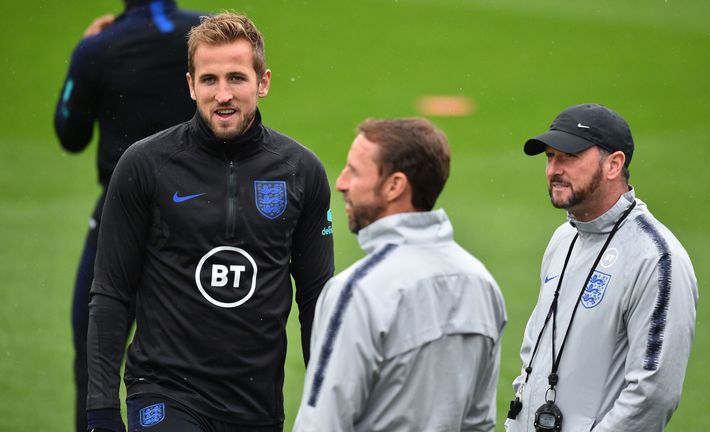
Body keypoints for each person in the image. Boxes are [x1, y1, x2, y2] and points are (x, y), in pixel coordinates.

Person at [85, 12, 335, 432]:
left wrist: (329, 403)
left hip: (255, 405)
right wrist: (101, 408)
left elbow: (316, 301)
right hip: (164, 393)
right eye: (209, 80)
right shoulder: (144, 166)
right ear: (190, 85)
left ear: (264, 82)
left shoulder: (301, 172)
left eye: (236, 78)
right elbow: (111, 292)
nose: (223, 94)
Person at [293, 118, 508, 431]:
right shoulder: (482, 283)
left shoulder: (357, 291)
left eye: (353, 170)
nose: (341, 182)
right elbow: (479, 422)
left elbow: (322, 423)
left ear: (394, 186)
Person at [53, 2, 204, 430]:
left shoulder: (99, 47)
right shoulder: (209, 33)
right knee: (201, 363)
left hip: (120, 217)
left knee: (95, 359)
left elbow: (70, 133)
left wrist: (82, 57)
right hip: (198, 216)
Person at [504, 103, 698, 431]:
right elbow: (532, 357)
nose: (553, 169)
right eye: (550, 157)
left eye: (569, 156)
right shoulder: (563, 238)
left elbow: (653, 394)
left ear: (614, 164)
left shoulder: (657, 258)